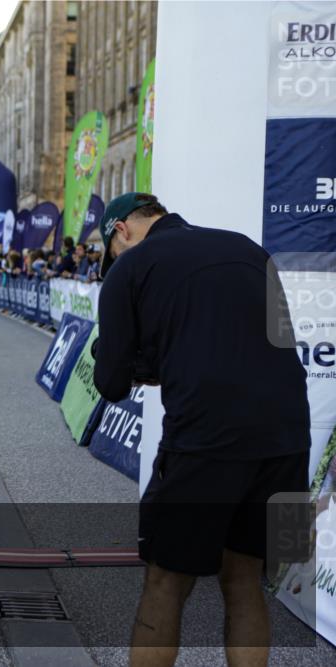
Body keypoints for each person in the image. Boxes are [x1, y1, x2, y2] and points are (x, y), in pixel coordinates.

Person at [92, 192, 311, 666]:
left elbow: (110, 384)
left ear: (121, 231)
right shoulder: (247, 248)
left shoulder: (131, 269)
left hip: (206, 438)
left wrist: (138, 363)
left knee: (166, 581)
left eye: (110, 250)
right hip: (287, 434)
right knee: (244, 578)